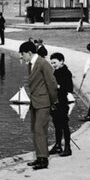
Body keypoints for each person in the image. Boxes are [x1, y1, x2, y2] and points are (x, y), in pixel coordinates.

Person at [18, 40, 58, 170]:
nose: (21, 57)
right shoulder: (32, 63)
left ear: (29, 53)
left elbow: (51, 84)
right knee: (35, 130)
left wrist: (53, 101)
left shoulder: (43, 63)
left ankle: (43, 159)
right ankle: (39, 157)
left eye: (22, 54)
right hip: (35, 102)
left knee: (40, 130)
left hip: (43, 102)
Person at [48, 52, 75, 156]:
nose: (53, 65)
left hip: (62, 102)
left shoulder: (66, 72)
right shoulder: (56, 72)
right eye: (51, 63)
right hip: (55, 102)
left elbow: (69, 88)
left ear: (61, 61)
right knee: (57, 125)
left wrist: (58, 86)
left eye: (54, 62)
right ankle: (58, 145)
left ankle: (67, 148)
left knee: (64, 125)